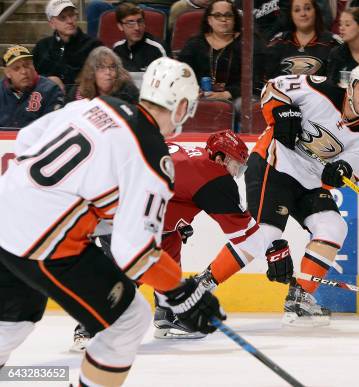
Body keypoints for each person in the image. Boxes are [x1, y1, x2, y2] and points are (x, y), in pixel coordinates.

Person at [0, 57, 224, 386]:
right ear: (182, 107)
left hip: (6, 207)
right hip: (42, 237)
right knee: (130, 319)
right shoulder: (152, 156)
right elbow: (134, 253)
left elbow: (27, 139)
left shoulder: (97, 105)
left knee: (14, 316)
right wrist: (180, 291)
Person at [70, 130, 294, 347]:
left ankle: (168, 314)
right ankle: (89, 326)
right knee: (131, 273)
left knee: (169, 251)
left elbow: (174, 191)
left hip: (124, 202)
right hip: (119, 213)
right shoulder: (215, 176)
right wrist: (272, 247)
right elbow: (248, 238)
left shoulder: (195, 157)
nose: (236, 173)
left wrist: (177, 220)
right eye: (236, 165)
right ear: (220, 157)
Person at [247, 62, 359, 326]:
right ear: (351, 86)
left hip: (308, 183)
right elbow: (272, 88)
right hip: (279, 164)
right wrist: (282, 113)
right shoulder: (319, 89)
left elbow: (347, 176)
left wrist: (340, 172)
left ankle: (300, 297)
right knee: (265, 234)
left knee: (334, 227)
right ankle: (201, 287)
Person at [178, 0, 266, 101]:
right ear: (209, 20)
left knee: (241, 104)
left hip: (237, 96)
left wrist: (227, 94)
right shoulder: (194, 43)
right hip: (200, 95)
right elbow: (183, 74)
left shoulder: (249, 42)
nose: (223, 19)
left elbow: (255, 79)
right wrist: (194, 90)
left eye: (228, 15)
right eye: (217, 15)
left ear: (235, 19)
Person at [33, 0, 103, 89]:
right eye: (62, 17)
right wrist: (48, 81)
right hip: (48, 98)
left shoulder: (94, 45)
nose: (70, 21)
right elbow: (31, 76)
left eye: (72, 15)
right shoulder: (41, 47)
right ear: (52, 24)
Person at [265, 0, 342, 79]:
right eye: (297, 10)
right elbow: (268, 83)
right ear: (291, 15)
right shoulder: (279, 42)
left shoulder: (332, 43)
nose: (303, 14)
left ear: (316, 11)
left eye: (308, 8)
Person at [0, 45, 64, 129]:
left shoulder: (50, 90)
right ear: (7, 73)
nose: (24, 71)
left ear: (33, 66)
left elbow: (54, 128)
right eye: (16, 68)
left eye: (27, 65)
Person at [66, 46, 140, 104]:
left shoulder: (128, 91)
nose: (108, 72)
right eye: (101, 67)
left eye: (112, 67)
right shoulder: (78, 91)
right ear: (91, 72)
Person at [113, 2, 167, 73]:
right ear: (120, 26)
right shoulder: (117, 49)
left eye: (140, 21)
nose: (137, 28)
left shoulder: (157, 48)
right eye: (130, 23)